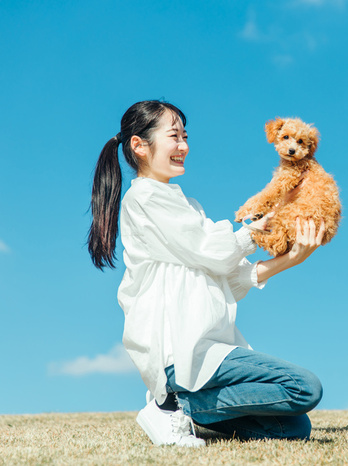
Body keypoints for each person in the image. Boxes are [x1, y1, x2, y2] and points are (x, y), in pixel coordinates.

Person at [88, 100, 326, 447]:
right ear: (139, 145)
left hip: (211, 347)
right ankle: (173, 405)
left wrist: (292, 258)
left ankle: (190, 412)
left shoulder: (186, 205)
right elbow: (212, 251)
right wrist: (258, 227)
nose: (183, 145)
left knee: (292, 426)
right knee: (304, 387)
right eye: (174, 136)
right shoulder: (144, 199)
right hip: (183, 351)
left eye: (185, 136)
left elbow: (227, 277)